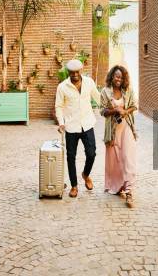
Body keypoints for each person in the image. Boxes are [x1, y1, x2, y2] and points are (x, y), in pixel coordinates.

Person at [55, 59, 101, 198]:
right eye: (72, 72)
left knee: (91, 153)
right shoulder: (62, 87)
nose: (75, 75)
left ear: (81, 70)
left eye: (77, 72)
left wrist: (108, 110)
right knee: (71, 157)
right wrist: (61, 122)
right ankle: (74, 186)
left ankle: (85, 175)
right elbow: (59, 106)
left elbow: (98, 98)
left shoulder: (89, 82)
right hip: (71, 126)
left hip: (87, 124)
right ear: (68, 72)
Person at [100, 65, 138, 208]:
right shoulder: (105, 91)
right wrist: (114, 109)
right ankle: (117, 186)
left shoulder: (127, 90)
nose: (119, 79)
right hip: (112, 130)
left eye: (121, 78)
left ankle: (129, 192)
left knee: (128, 158)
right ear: (112, 76)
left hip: (127, 127)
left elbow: (135, 106)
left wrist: (125, 111)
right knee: (115, 160)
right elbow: (102, 111)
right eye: (117, 76)